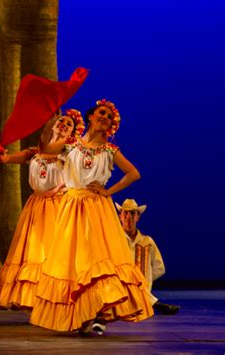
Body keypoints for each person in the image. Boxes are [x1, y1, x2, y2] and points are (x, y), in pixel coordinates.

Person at [30, 99, 154, 335]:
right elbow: (45, 151)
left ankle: (98, 314)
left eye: (109, 116)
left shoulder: (110, 150)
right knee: (73, 261)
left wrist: (108, 191)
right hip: (71, 206)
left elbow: (133, 173)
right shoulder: (71, 144)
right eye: (101, 113)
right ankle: (79, 315)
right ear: (90, 117)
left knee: (97, 261)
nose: (105, 118)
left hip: (97, 208)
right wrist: (50, 127)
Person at [0, 110, 84, 310]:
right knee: (32, 251)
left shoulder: (68, 151)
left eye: (68, 124)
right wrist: (4, 157)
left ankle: (55, 297)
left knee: (52, 251)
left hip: (57, 205)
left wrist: (58, 189)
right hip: (36, 205)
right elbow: (8, 159)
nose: (63, 124)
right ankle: (32, 298)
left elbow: (75, 177)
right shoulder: (35, 152)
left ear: (73, 132)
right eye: (61, 121)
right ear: (53, 124)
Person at [116, 198, 180, 315]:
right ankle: (155, 304)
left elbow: (159, 268)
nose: (128, 217)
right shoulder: (115, 240)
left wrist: (145, 280)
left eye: (132, 213)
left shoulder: (147, 242)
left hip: (142, 290)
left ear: (137, 217)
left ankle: (146, 299)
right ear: (120, 216)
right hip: (119, 289)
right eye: (125, 213)